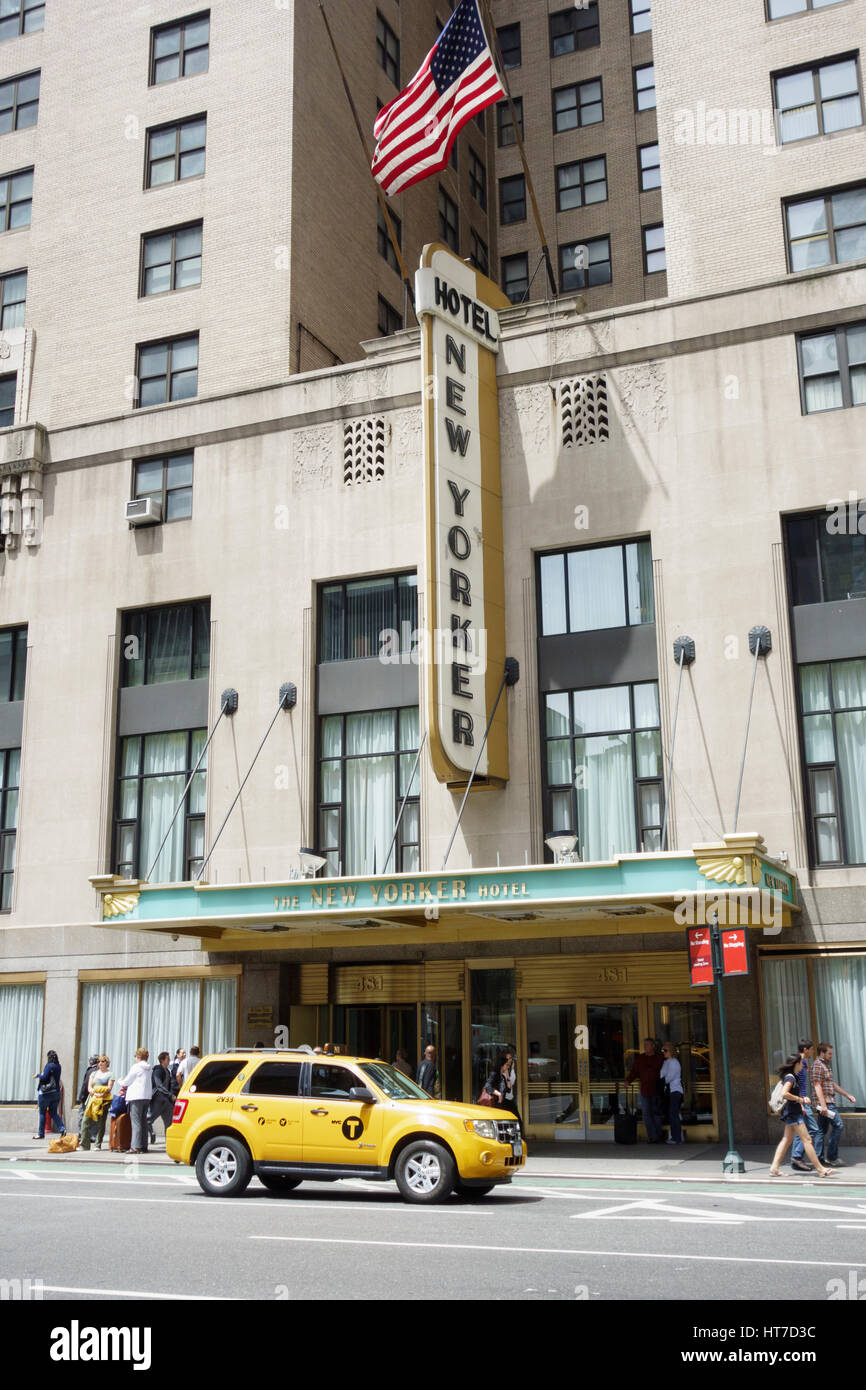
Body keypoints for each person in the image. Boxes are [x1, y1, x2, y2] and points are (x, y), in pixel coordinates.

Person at [769, 1054, 835, 1177]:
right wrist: (800, 1099)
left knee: (787, 1139)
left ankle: (774, 1167)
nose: (803, 1065)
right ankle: (820, 1170)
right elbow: (784, 1094)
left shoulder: (791, 1077)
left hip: (792, 1112)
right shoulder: (791, 1078)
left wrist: (801, 1101)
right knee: (807, 1139)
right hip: (793, 1114)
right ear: (796, 1064)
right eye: (801, 1063)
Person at [813, 1042, 857, 1168]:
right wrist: (823, 1105)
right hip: (826, 1104)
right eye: (829, 1053)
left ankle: (819, 1159)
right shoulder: (817, 1065)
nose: (831, 1056)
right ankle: (832, 1157)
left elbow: (831, 1084)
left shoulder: (826, 1065)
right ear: (822, 1052)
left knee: (821, 1130)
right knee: (838, 1125)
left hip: (828, 1102)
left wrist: (847, 1095)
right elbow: (817, 1086)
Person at [790, 1038, 823, 1172]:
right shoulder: (799, 1063)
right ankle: (797, 1156)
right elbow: (796, 1083)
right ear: (805, 1050)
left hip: (802, 1100)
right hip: (802, 1101)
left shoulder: (802, 1062)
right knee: (813, 1129)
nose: (813, 1052)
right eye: (811, 1049)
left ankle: (796, 1158)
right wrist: (801, 1102)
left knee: (801, 1131)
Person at [625, 1038, 664, 1143]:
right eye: (644, 1045)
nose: (645, 1047)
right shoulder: (640, 1058)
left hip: (656, 1090)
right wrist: (628, 1081)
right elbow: (634, 1072)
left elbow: (663, 1073)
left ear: (653, 1046)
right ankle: (652, 1136)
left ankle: (658, 1135)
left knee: (656, 1113)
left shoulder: (659, 1058)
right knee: (646, 1114)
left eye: (647, 1045)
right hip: (644, 1090)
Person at [118, 1048, 153, 1154]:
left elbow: (127, 1081)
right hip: (146, 1096)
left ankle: (135, 1146)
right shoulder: (149, 1068)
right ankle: (143, 1146)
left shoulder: (136, 1067)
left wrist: (120, 1081)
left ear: (138, 1057)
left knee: (136, 1122)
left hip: (136, 1096)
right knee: (143, 1122)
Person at [80, 1055, 115, 1151]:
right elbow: (89, 1087)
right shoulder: (94, 1073)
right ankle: (84, 1144)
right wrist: (94, 1092)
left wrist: (101, 1093)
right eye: (99, 1061)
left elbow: (109, 1088)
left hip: (103, 1101)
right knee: (85, 1121)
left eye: (103, 1061)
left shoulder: (110, 1074)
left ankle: (97, 1144)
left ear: (107, 1063)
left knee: (101, 1123)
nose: (101, 1063)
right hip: (92, 1100)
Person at [33, 1050, 66, 1140]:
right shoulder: (58, 1066)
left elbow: (44, 1077)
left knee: (42, 1113)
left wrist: (38, 1075)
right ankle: (62, 1129)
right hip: (56, 1093)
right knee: (54, 1113)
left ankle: (40, 1134)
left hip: (45, 1093)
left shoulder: (49, 1066)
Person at [148, 1052, 174, 1145]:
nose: (169, 1060)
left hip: (166, 1100)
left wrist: (170, 1095)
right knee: (148, 1119)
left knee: (169, 1123)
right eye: (167, 1059)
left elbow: (169, 1085)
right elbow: (159, 1085)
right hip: (158, 1099)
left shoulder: (167, 1071)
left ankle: (169, 1143)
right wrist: (170, 1095)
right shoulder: (158, 1069)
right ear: (162, 1060)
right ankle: (151, 1132)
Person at [661, 1042, 684, 1145]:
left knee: (673, 1114)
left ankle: (677, 1138)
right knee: (672, 1114)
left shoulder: (674, 1062)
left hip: (675, 1091)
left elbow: (668, 1077)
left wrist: (661, 1081)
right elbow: (662, 1074)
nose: (663, 1052)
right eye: (663, 1050)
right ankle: (675, 1137)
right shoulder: (667, 1062)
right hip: (671, 1091)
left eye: (665, 1050)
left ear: (670, 1051)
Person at [76, 1054, 99, 1137]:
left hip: (88, 1097)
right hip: (97, 1097)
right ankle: (93, 1135)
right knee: (95, 1116)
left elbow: (85, 1085)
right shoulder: (101, 1070)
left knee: (82, 1114)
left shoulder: (91, 1071)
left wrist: (82, 1097)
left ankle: (81, 1133)